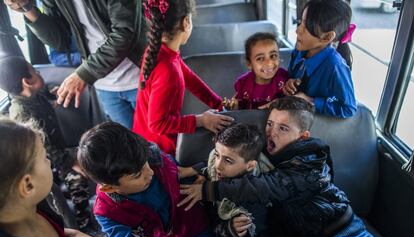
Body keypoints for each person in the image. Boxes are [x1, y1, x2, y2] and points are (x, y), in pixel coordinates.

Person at [180, 97, 383, 237]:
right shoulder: (271, 157)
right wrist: (197, 170)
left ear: (302, 137)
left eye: (283, 128)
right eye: (269, 124)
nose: (272, 132)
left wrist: (211, 190)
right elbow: (229, 158)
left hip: (344, 228)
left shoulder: (309, 164)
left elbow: (268, 187)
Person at [77, 122, 214, 237]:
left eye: (146, 164)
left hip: (195, 235)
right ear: (109, 188)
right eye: (137, 175)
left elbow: (180, 170)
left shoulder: (152, 157)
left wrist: (199, 171)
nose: (150, 173)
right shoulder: (105, 211)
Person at [179, 123, 303, 237]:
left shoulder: (264, 182)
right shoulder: (210, 180)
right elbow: (209, 224)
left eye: (228, 161)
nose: (218, 165)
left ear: (250, 166)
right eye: (217, 155)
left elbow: (280, 212)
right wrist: (229, 229)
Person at [4, 0, 147, 128]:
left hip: (139, 74)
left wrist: (83, 74)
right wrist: (27, 8)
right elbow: (60, 41)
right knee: (130, 144)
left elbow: (126, 32)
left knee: (159, 142)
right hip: (104, 85)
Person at [0, 56, 99, 236]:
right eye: (35, 72)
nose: (39, 73)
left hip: (60, 151)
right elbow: (44, 149)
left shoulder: (33, 96)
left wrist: (52, 93)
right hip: (49, 160)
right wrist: (71, 163)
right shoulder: (22, 114)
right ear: (27, 82)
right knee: (78, 179)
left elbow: (43, 91)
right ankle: (84, 223)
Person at [0, 118, 101, 237]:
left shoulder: (36, 205)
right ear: (28, 185)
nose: (50, 162)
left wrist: (72, 234)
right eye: (44, 157)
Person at [132, 0, 234, 155]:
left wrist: (219, 104)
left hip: (146, 140)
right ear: (186, 22)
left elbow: (191, 80)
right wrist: (201, 120)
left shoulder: (160, 51)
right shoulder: (167, 70)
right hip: (160, 152)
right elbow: (157, 124)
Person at [282, 0, 357, 118]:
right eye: (300, 22)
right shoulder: (298, 51)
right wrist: (288, 83)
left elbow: (348, 109)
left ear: (327, 37)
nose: (297, 30)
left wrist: (310, 101)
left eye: (306, 27)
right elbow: (289, 76)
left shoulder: (335, 66)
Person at [222, 32, 289, 110]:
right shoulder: (243, 83)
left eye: (273, 56)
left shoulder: (284, 78)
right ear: (249, 64)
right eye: (260, 58)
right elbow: (239, 108)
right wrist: (234, 107)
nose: (269, 63)